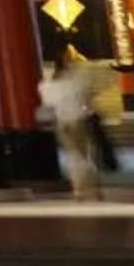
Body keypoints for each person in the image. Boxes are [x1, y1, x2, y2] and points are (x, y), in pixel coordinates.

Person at [41, 64, 102, 201]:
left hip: (61, 123)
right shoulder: (75, 84)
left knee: (72, 155)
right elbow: (88, 100)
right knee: (86, 155)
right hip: (78, 121)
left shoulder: (46, 87)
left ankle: (78, 189)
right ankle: (92, 186)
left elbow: (47, 106)